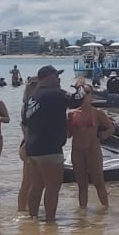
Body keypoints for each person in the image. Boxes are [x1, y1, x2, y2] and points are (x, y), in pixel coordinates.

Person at [20, 65, 72, 220]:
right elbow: (78, 100)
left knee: (36, 185)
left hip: (33, 146)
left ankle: (33, 218)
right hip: (50, 147)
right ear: (48, 77)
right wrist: (80, 88)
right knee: (53, 187)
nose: (59, 79)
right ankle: (50, 221)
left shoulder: (32, 98)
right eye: (56, 76)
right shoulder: (55, 93)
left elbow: (25, 123)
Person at [68, 94, 115, 209]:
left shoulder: (97, 112)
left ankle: (106, 208)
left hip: (92, 148)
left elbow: (111, 128)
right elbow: (68, 134)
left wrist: (103, 135)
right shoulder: (71, 114)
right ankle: (82, 211)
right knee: (81, 184)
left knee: (98, 181)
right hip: (77, 149)